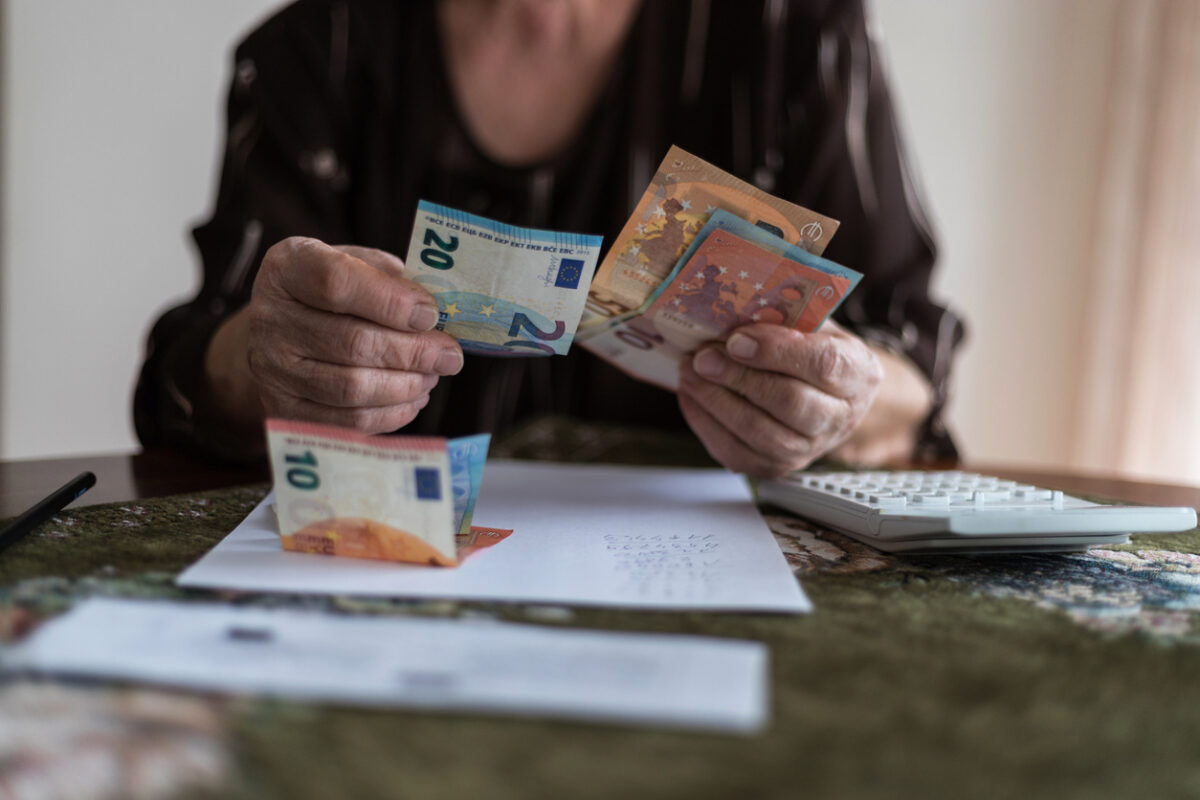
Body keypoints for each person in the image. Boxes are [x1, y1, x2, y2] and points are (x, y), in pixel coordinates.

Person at [134, 0, 964, 478]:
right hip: (385, 588)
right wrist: (264, 357)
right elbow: (189, 375)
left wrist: (840, 401)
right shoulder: (315, 49)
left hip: (706, 592)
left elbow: (911, 359)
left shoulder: (795, 36)